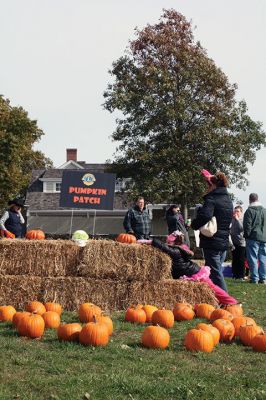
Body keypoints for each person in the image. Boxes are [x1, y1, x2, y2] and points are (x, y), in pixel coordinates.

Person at [138, 231, 237, 305]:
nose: (167, 243)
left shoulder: (175, 251)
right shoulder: (181, 248)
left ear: (173, 242)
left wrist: (150, 241)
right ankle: (226, 302)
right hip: (192, 271)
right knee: (211, 288)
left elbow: (162, 247)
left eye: (169, 241)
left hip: (194, 273)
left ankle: (232, 302)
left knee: (212, 288)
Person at [191, 170, 233, 293]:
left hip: (212, 241)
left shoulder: (212, 199)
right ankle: (214, 297)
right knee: (214, 272)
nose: (206, 189)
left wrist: (194, 224)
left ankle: (228, 302)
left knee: (216, 273)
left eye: (208, 186)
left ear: (213, 186)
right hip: (223, 241)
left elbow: (205, 216)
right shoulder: (228, 200)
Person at [243, 193, 266, 284]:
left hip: (253, 237)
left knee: (252, 258)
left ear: (249, 199)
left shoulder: (249, 211)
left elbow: (247, 225)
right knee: (263, 258)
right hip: (263, 237)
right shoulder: (264, 210)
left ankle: (254, 278)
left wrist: (247, 236)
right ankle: (263, 278)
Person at [230, 205, 246, 280]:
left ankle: (241, 275)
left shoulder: (243, 220)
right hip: (233, 242)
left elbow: (242, 229)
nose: (236, 213)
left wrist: (237, 219)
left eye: (238, 211)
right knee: (235, 259)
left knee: (241, 260)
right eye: (235, 211)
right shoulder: (232, 219)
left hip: (241, 242)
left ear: (241, 212)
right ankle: (234, 274)